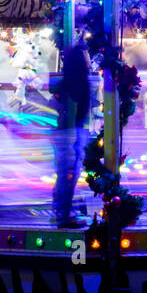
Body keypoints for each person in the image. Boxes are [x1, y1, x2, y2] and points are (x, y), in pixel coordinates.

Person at [51, 41, 94, 228]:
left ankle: (61, 210)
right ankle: (63, 213)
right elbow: (76, 106)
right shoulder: (78, 83)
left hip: (67, 132)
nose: (88, 58)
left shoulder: (65, 82)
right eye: (85, 55)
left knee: (66, 172)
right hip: (71, 132)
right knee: (68, 172)